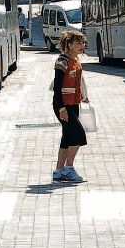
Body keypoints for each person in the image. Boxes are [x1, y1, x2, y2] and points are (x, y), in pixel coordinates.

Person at [52, 30, 89, 182]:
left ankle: (59, 171)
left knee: (67, 137)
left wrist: (84, 96)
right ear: (69, 45)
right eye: (78, 43)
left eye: (83, 42)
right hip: (63, 106)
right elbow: (57, 87)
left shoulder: (76, 61)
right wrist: (61, 108)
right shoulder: (62, 61)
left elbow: (78, 82)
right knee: (79, 135)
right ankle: (69, 168)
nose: (82, 45)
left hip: (74, 104)